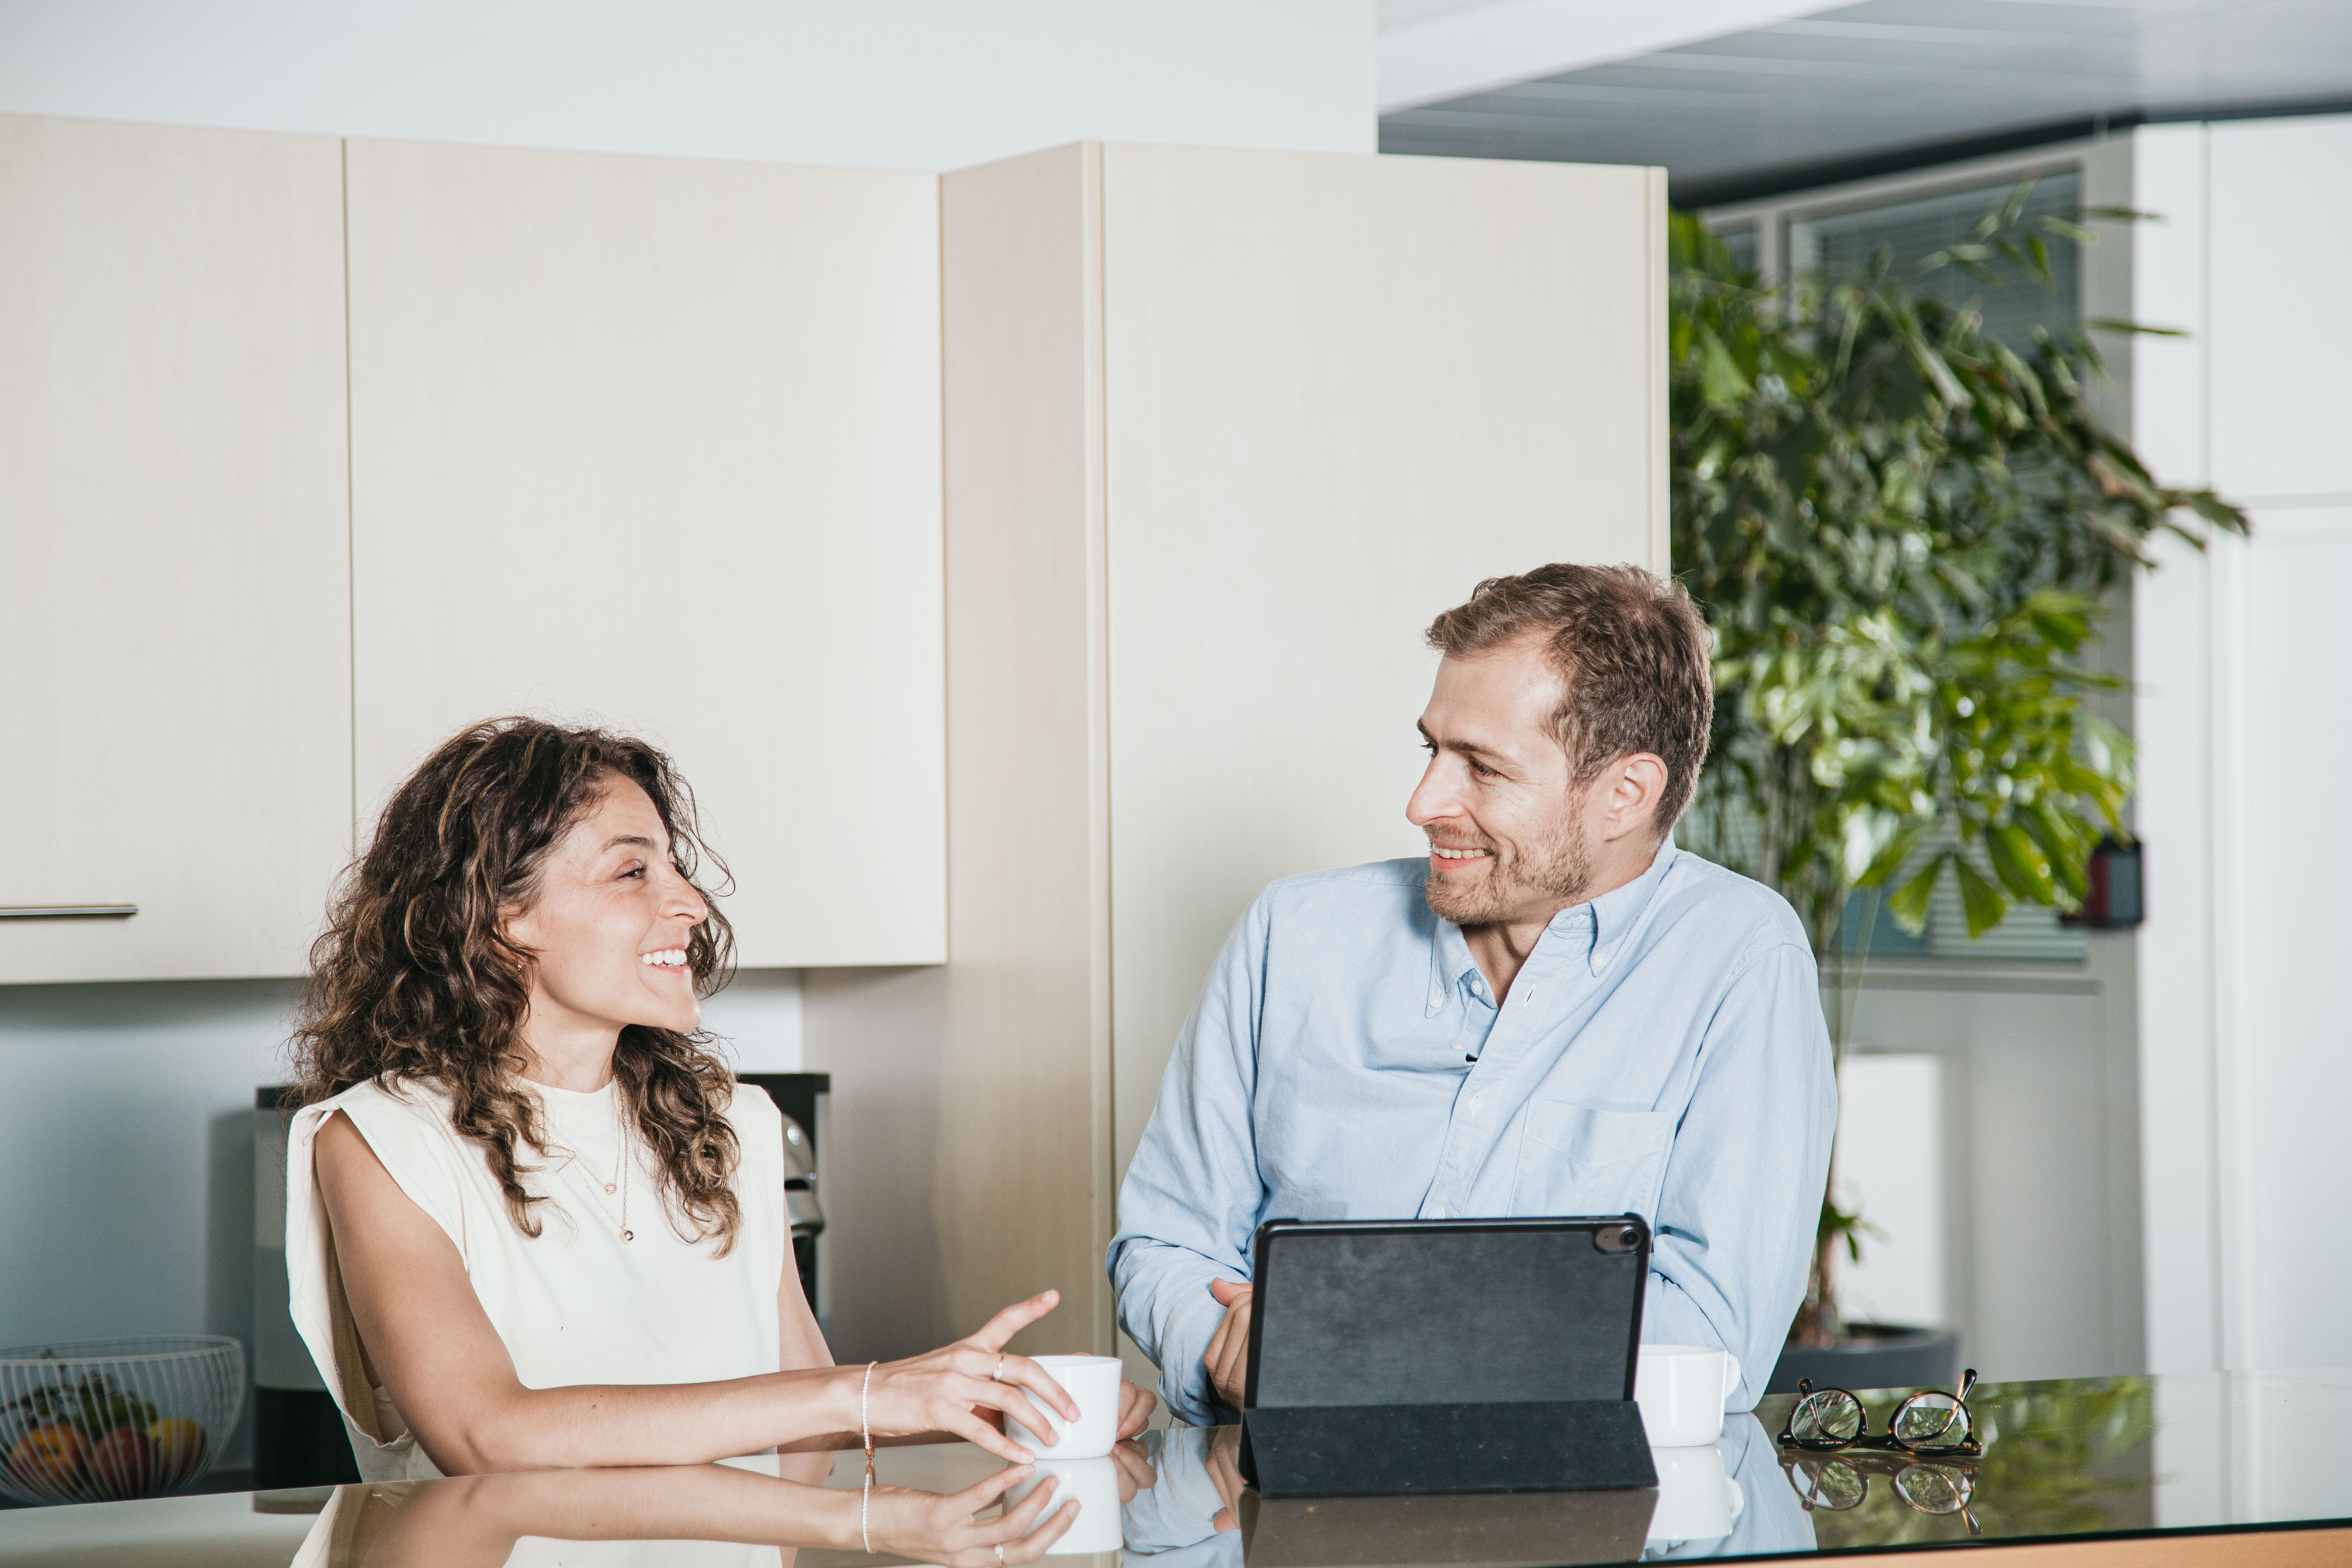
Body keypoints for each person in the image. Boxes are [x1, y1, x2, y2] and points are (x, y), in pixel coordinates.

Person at [284, 717, 1152, 1486]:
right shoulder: (378, 1141)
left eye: (676, 867)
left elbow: (810, 1423)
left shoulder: (736, 1125)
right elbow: (487, 1433)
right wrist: (870, 1394)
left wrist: (995, 1406)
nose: (691, 903)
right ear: (504, 918)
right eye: (633, 871)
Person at [1110, 563, 1836, 1427]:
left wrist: (1344, 1345)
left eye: (1482, 769)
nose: (1423, 802)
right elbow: (1164, 1244)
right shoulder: (1291, 936)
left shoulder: (1741, 959)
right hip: (1287, 1522)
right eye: (1433, 749)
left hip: (1592, 1537)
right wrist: (1227, 1346)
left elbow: (1713, 1341)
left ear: (1626, 795)